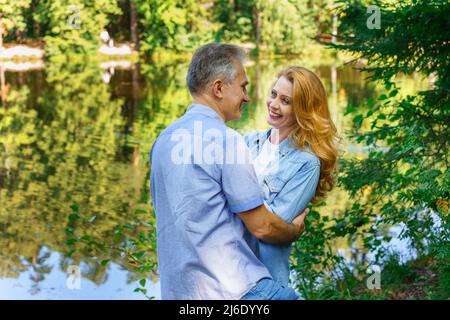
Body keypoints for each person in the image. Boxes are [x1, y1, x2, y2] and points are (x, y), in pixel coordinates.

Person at [150, 43, 307, 300]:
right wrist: (294, 230)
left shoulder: (163, 141)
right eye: (243, 87)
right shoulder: (227, 141)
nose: (246, 97)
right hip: (236, 291)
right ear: (219, 88)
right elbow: (263, 228)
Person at [244, 66, 339, 286]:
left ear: (303, 111)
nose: (274, 104)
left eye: (286, 101)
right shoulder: (248, 142)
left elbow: (268, 228)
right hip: (229, 274)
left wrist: (233, 198)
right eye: (274, 94)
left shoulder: (307, 164)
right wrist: (292, 230)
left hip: (264, 280)